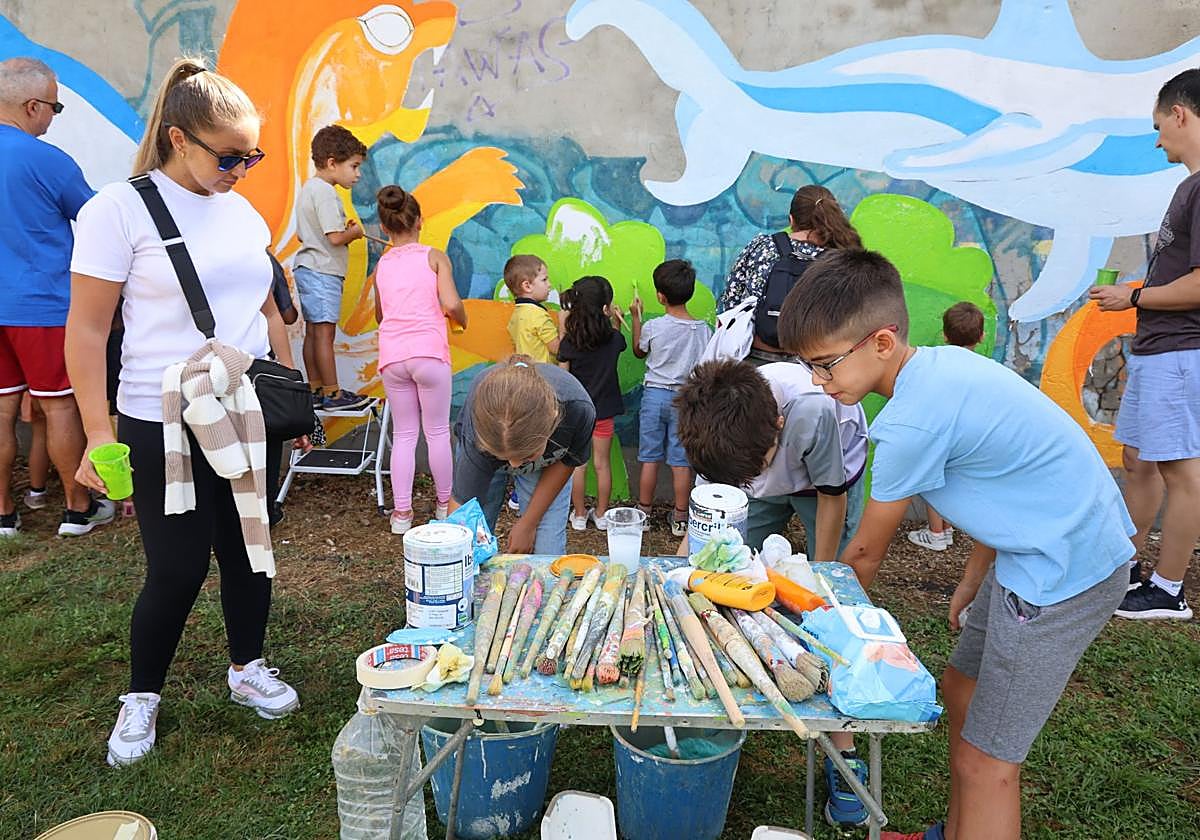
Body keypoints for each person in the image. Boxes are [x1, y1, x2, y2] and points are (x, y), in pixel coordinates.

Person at [778, 249, 1134, 840]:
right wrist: (973, 579)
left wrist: (813, 627)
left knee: (987, 763)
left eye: (825, 365)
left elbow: (863, 557)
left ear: (882, 343)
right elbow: (1013, 483)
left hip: (1064, 575)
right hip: (1035, 550)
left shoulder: (910, 423)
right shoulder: (939, 367)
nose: (819, 381)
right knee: (960, 686)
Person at [65, 58, 302, 768]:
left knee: (250, 551)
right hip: (158, 415)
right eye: (230, 156)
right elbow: (85, 329)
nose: (242, 169)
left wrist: (288, 382)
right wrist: (99, 433)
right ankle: (142, 696)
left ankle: (247, 667)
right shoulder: (119, 207)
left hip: (246, 405)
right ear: (177, 138)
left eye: (252, 156)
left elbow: (267, 306)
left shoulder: (243, 207)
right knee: (175, 568)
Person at [674, 357, 869, 828]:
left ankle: (844, 756)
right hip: (752, 482)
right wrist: (680, 574)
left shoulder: (815, 408)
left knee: (827, 614)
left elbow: (831, 497)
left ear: (777, 427)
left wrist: (820, 583)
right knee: (723, 583)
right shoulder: (716, 423)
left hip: (824, 481)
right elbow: (706, 529)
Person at [1090, 68, 1200, 621]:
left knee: (1182, 470)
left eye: (1159, 126)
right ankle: (1126, 568)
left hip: (1182, 350)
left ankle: (1169, 589)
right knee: (1139, 460)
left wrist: (1133, 298)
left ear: (1180, 114)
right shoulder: (1189, 185)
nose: (1158, 140)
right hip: (1161, 349)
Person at [0, 56, 114, 537]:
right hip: (42, 305)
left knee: (2, 409)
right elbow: (99, 223)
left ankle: (4, 513)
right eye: (54, 107)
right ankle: (77, 508)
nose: (53, 116)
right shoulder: (47, 161)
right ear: (31, 107)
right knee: (60, 405)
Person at [372, 184, 466, 535]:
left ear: (384, 227)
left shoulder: (382, 265)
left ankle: (401, 515)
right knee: (438, 431)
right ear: (420, 221)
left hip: (393, 357)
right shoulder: (434, 257)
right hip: (429, 353)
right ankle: (444, 507)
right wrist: (463, 320)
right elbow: (452, 304)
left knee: (406, 433)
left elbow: (380, 315)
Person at [450, 356, 594, 554]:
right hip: (486, 454)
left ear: (553, 421)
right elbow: (461, 512)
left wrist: (528, 524)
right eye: (505, 457)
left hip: (548, 464)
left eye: (525, 456)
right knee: (472, 537)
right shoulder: (479, 425)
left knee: (547, 547)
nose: (515, 465)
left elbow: (566, 463)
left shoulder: (578, 409)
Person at [719, 184, 860, 364]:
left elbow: (731, 300)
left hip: (754, 360)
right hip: (811, 367)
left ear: (791, 220)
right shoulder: (837, 259)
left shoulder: (762, 246)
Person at [630, 259, 711, 536]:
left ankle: (644, 513)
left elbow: (639, 352)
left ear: (660, 296)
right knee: (680, 461)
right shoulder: (703, 330)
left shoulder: (653, 326)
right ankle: (680, 518)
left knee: (649, 457)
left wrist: (636, 318)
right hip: (685, 399)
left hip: (654, 396)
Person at [293, 124, 369, 411]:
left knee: (314, 332)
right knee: (325, 334)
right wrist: (354, 233)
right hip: (323, 271)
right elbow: (335, 238)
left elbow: (306, 234)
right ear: (332, 163)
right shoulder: (325, 192)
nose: (358, 174)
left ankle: (314, 389)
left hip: (309, 268)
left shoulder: (309, 189)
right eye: (354, 166)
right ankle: (333, 394)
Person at [907, 301, 986, 552]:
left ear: (944, 334)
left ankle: (937, 533)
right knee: (949, 479)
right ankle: (947, 528)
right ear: (982, 336)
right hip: (968, 436)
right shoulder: (984, 369)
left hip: (941, 433)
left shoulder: (935, 362)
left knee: (933, 481)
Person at [557, 275, 626, 530]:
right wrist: (618, 322)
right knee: (602, 463)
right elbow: (616, 345)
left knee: (579, 465)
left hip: (578, 412)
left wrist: (563, 328)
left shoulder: (570, 342)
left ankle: (578, 514)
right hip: (604, 412)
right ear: (606, 308)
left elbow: (563, 376)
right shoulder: (614, 340)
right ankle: (601, 514)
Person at [505, 254, 561, 363]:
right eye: (544, 280)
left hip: (527, 374)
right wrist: (564, 328)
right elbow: (558, 350)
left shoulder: (516, 314)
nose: (549, 285)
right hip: (544, 374)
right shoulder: (538, 315)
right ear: (527, 286)